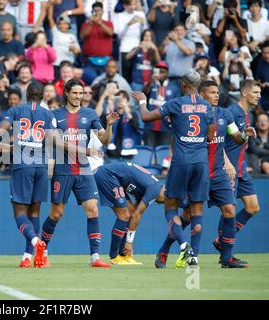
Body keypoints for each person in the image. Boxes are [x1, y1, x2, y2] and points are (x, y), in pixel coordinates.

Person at [155, 80, 256, 269]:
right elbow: (175, 140)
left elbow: (236, 138)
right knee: (186, 217)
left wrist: (245, 135)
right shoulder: (192, 115)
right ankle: (165, 249)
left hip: (217, 173)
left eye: (218, 92)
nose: (217, 95)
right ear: (201, 96)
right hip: (197, 173)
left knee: (230, 210)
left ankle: (226, 258)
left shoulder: (225, 115)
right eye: (212, 92)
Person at [133, 70, 215, 268]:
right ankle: (194, 255)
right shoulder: (207, 107)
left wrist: (143, 100)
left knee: (171, 206)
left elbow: (145, 117)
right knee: (196, 210)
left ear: (185, 84)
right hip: (200, 162)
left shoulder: (175, 104)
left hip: (181, 162)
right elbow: (211, 137)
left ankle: (184, 245)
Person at [40, 79, 119, 268]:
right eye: (75, 93)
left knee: (93, 210)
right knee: (56, 213)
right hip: (63, 170)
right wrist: (83, 150)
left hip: (84, 170)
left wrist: (108, 125)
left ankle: (95, 258)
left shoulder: (90, 114)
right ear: (66, 93)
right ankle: (42, 251)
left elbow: (105, 141)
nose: (78, 96)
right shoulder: (54, 115)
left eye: (81, 93)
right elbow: (55, 142)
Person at [0, 81, 54, 268]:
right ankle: (28, 257)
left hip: (22, 166)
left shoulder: (17, 110)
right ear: (43, 96)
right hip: (41, 166)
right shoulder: (48, 114)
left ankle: (36, 243)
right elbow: (51, 142)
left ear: (26, 94)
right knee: (34, 212)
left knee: (19, 212)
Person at [217, 80, 262, 256]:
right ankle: (225, 251)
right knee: (229, 211)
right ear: (245, 93)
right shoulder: (231, 113)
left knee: (253, 207)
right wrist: (227, 163)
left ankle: (221, 240)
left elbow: (239, 140)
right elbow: (217, 141)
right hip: (228, 169)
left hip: (241, 168)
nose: (259, 96)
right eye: (256, 92)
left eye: (259, 93)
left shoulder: (246, 114)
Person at [94, 161, 165, 264]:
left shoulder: (154, 186)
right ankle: (114, 257)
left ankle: (123, 255)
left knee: (129, 214)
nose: (160, 204)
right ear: (165, 193)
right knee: (124, 215)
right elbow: (137, 215)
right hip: (107, 175)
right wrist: (129, 242)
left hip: (114, 177)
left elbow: (134, 213)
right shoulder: (154, 190)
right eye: (163, 202)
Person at [142, 60, 181, 148]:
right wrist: (150, 82)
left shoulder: (174, 88)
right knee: (149, 152)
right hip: (150, 125)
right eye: (158, 71)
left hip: (166, 127)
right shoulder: (150, 85)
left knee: (163, 153)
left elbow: (177, 107)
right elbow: (142, 94)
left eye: (163, 72)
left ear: (167, 73)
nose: (160, 74)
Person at [80, 1, 114, 84]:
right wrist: (90, 23)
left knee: (106, 83)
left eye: (98, 10)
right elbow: (82, 35)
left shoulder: (108, 23)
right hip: (90, 61)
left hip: (106, 61)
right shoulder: (86, 24)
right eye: (94, 11)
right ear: (92, 12)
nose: (96, 13)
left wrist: (100, 23)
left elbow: (110, 33)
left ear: (102, 12)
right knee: (91, 83)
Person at [114, 0, 147, 82]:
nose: (132, 7)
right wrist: (128, 24)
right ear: (124, 5)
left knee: (137, 77)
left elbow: (146, 32)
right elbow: (119, 36)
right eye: (129, 5)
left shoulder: (140, 14)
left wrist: (143, 24)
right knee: (125, 77)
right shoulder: (119, 16)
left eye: (134, 4)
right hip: (125, 49)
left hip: (138, 49)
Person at [255, 40, 269, 112]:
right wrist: (260, 84)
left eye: (268, 53)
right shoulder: (260, 64)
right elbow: (257, 81)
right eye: (264, 53)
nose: (266, 55)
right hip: (264, 96)